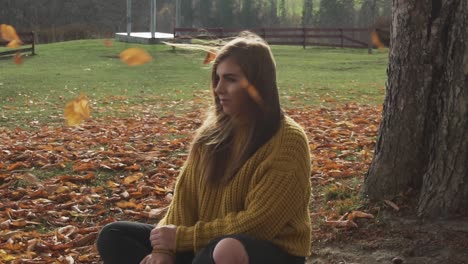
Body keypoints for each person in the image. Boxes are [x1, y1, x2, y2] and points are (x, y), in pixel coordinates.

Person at [97, 31, 312, 264]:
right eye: (217, 79)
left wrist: (181, 239)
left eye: (230, 79)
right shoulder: (211, 136)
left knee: (224, 249)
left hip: (266, 252)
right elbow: (184, 201)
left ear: (257, 84)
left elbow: (259, 224)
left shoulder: (288, 141)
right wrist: (163, 251)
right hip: (204, 247)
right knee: (114, 235)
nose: (218, 89)